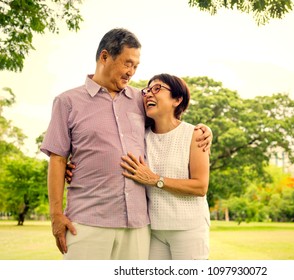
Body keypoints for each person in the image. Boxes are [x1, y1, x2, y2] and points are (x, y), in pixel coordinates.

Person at [40, 28, 212, 260]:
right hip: (87, 221)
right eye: (127, 63)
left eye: (136, 66)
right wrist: (55, 214)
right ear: (104, 57)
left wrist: (203, 130)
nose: (131, 72)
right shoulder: (67, 102)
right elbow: (58, 159)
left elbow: (168, 121)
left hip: (138, 226)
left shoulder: (139, 100)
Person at [120, 73, 210, 260]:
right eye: (147, 90)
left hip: (189, 229)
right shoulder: (139, 136)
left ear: (177, 99)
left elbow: (200, 187)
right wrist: (74, 167)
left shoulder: (195, 135)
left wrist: (155, 180)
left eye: (157, 89)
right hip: (153, 230)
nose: (148, 94)